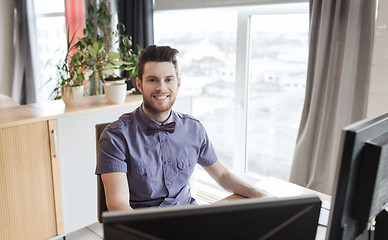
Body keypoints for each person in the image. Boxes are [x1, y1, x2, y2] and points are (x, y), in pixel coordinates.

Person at [95, 45, 266, 211]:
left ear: (177, 84)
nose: (161, 87)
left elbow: (222, 176)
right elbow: (118, 205)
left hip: (187, 219)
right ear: (139, 85)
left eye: (168, 79)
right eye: (152, 79)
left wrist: (260, 194)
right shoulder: (115, 136)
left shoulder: (194, 129)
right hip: (142, 225)